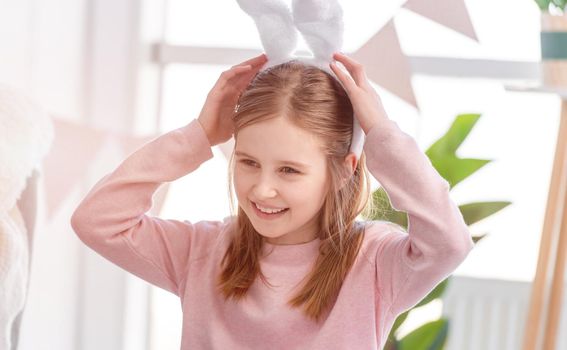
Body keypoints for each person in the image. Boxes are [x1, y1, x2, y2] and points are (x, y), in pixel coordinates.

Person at [70, 52, 474, 349]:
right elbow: (98, 220)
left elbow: (450, 244)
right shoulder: (203, 251)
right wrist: (198, 134)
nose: (262, 190)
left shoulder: (372, 263)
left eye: (289, 170)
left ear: (344, 170)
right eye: (248, 162)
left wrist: (382, 134)